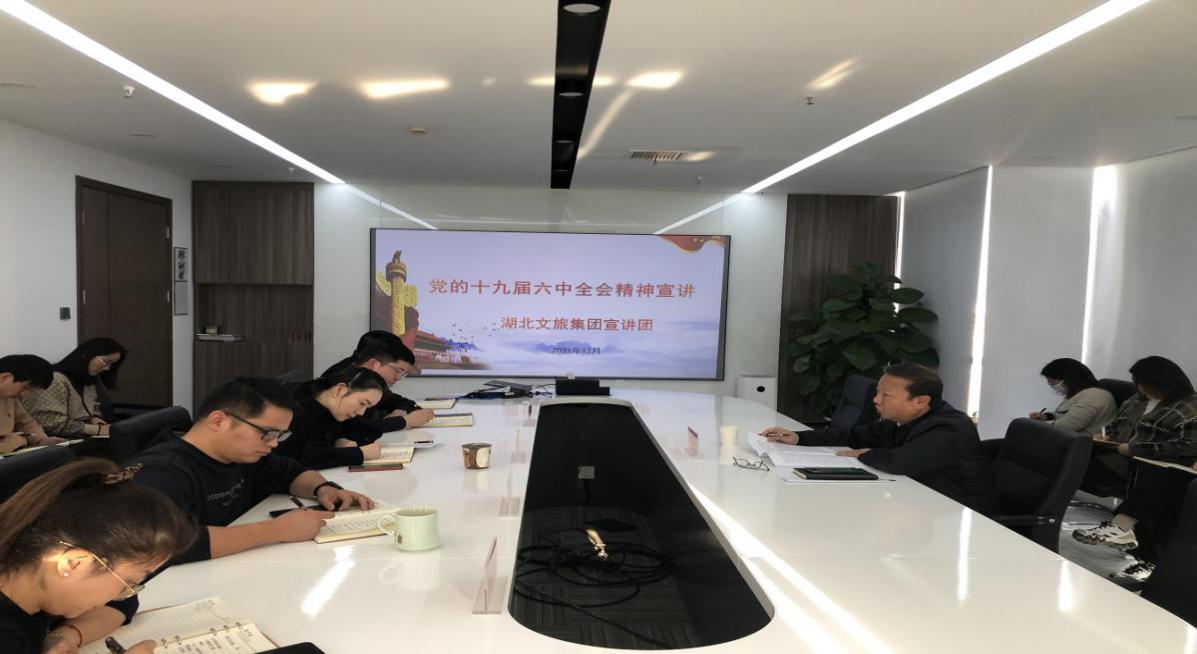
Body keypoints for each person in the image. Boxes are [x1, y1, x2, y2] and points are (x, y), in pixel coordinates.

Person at [130, 377, 375, 564]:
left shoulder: (242, 455)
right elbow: (164, 544)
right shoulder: (162, 471)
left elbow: (291, 472)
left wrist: (323, 488)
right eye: (267, 433)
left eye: (280, 435)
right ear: (218, 421)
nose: (274, 443)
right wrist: (276, 530)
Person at [0, 459, 196, 654]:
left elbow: (122, 604)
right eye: (128, 584)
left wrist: (64, 636)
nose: (122, 594)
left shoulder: (34, 588)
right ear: (74, 564)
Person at [761, 362, 1000, 516]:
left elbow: (899, 462)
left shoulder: (950, 429)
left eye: (886, 395)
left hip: (961, 517)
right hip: (916, 504)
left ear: (920, 402)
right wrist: (797, 437)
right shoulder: (899, 419)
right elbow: (853, 435)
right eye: (877, 391)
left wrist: (865, 454)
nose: (876, 400)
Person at [1072, 357, 1197, 581]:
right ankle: (1136, 547)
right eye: (1137, 382)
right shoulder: (1137, 400)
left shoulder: (1190, 407)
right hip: (1132, 460)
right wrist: (1106, 438)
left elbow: (1186, 446)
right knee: (1071, 454)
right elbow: (1116, 427)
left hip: (1168, 464)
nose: (1140, 388)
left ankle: (1123, 531)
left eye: (1144, 383)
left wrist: (1135, 449)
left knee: (1158, 480)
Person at [275, 368, 389, 469]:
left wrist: (344, 439)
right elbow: (293, 456)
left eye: (368, 407)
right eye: (362, 403)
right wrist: (359, 454)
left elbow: (372, 430)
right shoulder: (294, 410)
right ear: (339, 390)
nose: (361, 412)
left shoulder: (333, 408)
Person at [322, 331, 435, 431]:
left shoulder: (371, 381)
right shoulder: (340, 379)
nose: (397, 378)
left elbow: (403, 402)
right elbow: (351, 427)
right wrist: (404, 421)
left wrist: (400, 411)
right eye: (397, 371)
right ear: (373, 362)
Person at [21, 338, 127, 438]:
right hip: (56, 438)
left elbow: (92, 407)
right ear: (86, 354)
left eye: (112, 364)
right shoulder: (54, 380)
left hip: (79, 434)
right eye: (106, 361)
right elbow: (49, 422)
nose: (107, 368)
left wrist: (94, 418)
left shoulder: (88, 379)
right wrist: (97, 430)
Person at [1029, 358, 1117, 437]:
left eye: (1053, 382)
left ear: (1069, 378)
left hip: (1084, 445)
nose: (1052, 386)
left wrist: (1035, 426)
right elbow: (1065, 415)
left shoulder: (1094, 395)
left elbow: (1070, 425)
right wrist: (1045, 417)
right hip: (1070, 441)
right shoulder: (1080, 394)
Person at [0, 355, 66, 454]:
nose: (24, 394)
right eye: (25, 387)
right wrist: (7, 445)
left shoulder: (10, 397)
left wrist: (41, 439)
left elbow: (26, 423)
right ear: (5, 378)